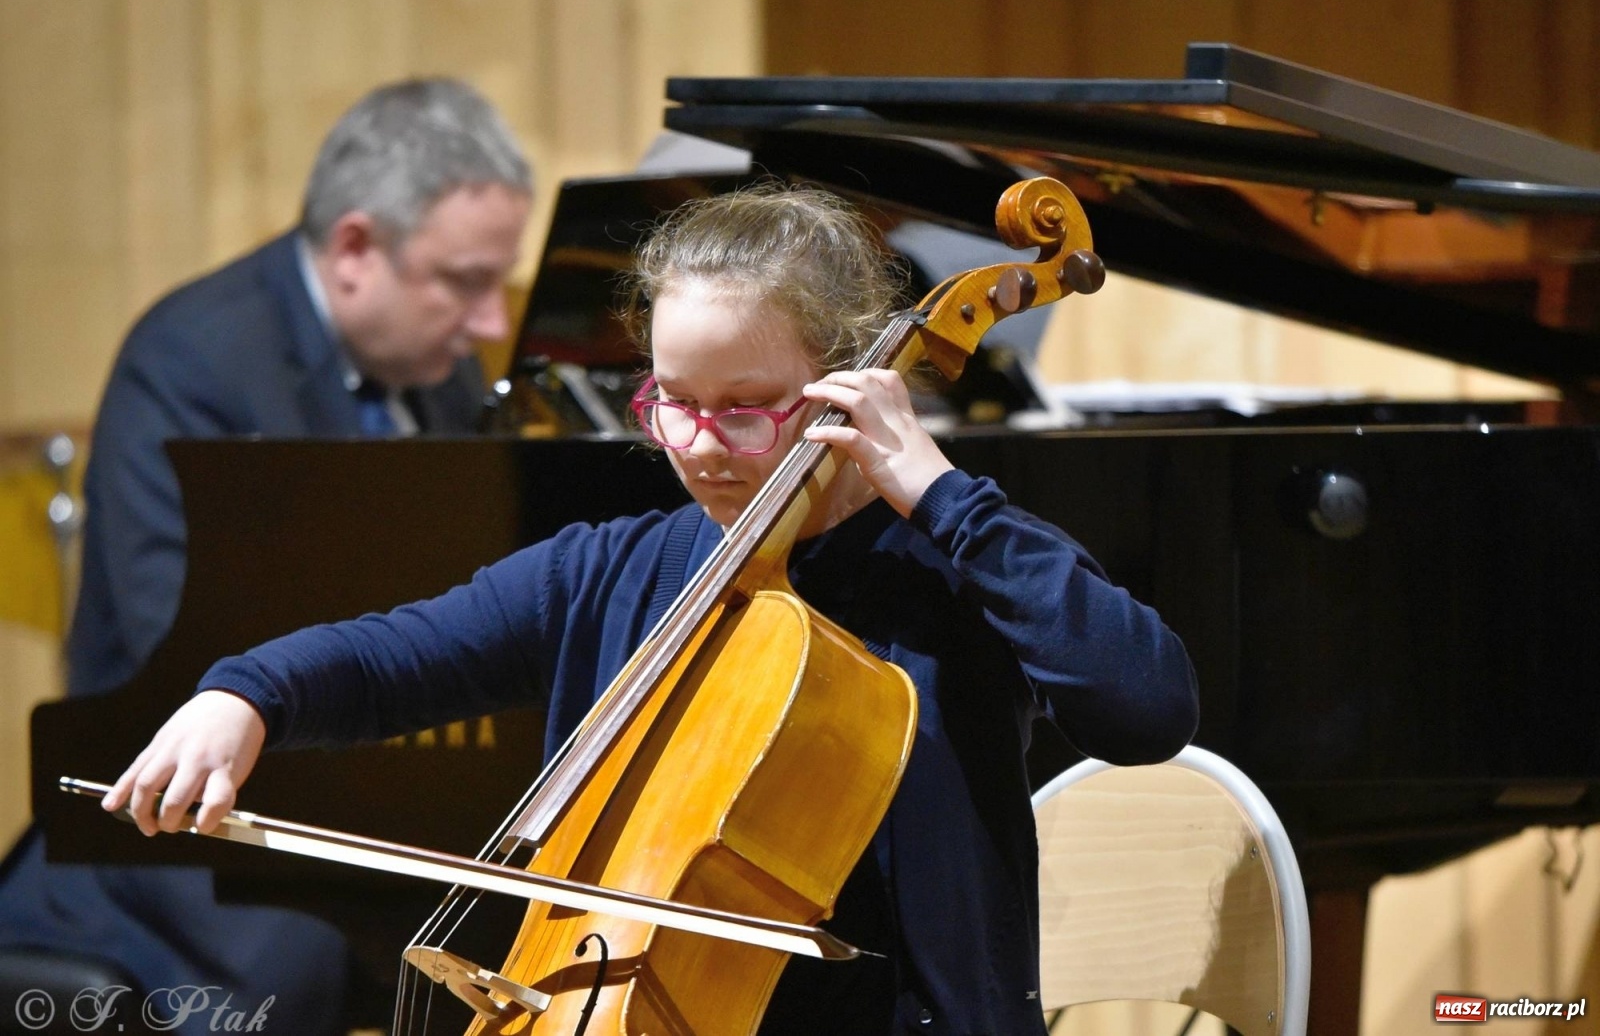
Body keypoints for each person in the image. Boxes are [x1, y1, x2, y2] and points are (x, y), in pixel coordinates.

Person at [106, 184, 1198, 1035]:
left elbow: (1145, 707)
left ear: (848, 391)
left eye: (748, 410)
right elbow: (397, 658)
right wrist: (242, 696)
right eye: (673, 402)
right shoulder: (613, 569)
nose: (703, 448)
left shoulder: (956, 565)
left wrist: (943, 494)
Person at [0, 77, 532, 1035]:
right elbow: (188, 637)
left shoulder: (441, 379)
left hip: (378, 777)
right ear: (358, 249)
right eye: (464, 281)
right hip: (197, 811)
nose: (492, 324)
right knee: (319, 960)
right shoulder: (192, 362)